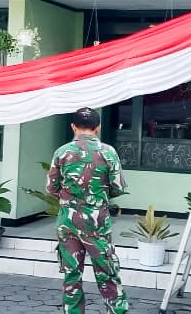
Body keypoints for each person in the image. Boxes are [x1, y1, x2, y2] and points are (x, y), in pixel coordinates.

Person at [46, 107, 129, 314]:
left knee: (71, 274)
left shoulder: (62, 152)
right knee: (107, 272)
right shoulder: (108, 152)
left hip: (67, 222)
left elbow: (51, 188)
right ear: (98, 128)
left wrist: (71, 198)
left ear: (73, 126)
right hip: (97, 223)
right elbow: (118, 187)